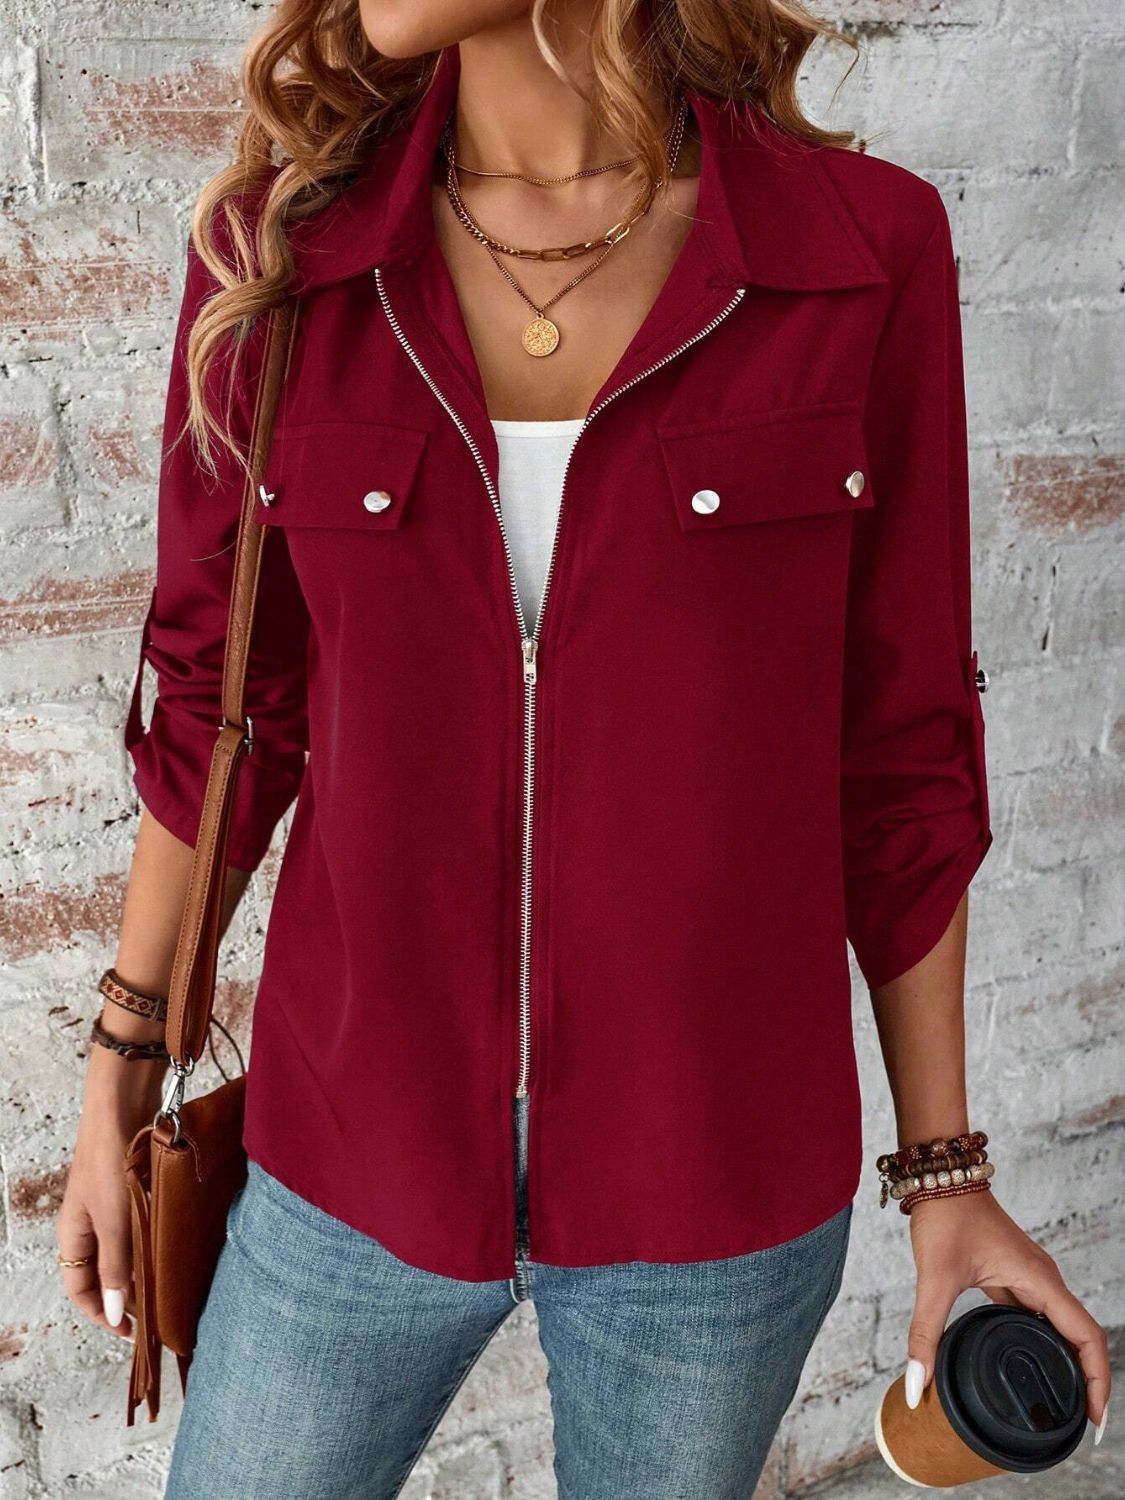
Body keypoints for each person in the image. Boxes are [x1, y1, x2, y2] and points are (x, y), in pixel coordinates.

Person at [57, 2, 1111, 1496]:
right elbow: (222, 708)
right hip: (348, 1158)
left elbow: (901, 746)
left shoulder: (860, 248)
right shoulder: (281, 256)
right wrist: (118, 1070)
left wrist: (945, 1174)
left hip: (714, 1191)